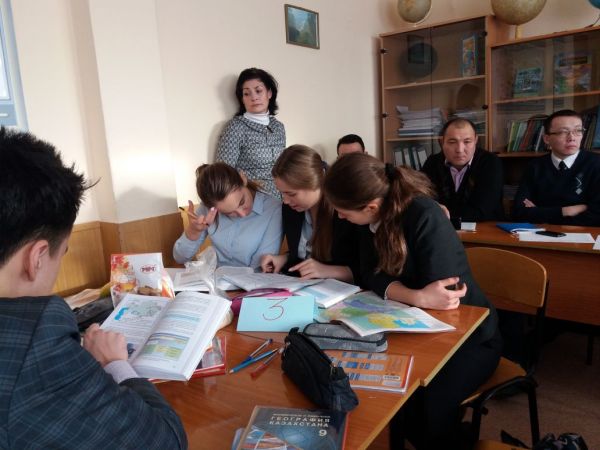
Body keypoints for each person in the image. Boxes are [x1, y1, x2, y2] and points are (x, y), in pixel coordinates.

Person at [0, 127, 187, 449]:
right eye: (63, 254)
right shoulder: (34, 342)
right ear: (37, 257)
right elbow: (165, 441)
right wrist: (116, 364)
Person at [323, 153, 501, 449]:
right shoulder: (370, 220)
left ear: (371, 206)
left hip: (470, 338)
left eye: (343, 212)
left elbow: (444, 298)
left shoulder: (424, 215)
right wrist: (415, 296)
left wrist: (413, 295)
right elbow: (370, 274)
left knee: (424, 410)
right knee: (387, 399)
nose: (340, 217)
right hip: (414, 325)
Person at [260, 145, 358, 281]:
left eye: (291, 194)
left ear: (316, 183)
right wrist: (283, 258)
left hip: (340, 289)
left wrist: (327, 271)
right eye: (282, 193)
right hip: (301, 286)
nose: (285, 201)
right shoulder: (291, 210)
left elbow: (365, 271)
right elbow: (304, 255)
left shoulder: (345, 213)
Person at [173, 162, 282, 269]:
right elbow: (179, 258)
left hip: (252, 279)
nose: (243, 214)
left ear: (243, 179)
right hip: (216, 277)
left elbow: (261, 268)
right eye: (229, 213)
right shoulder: (209, 210)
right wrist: (193, 231)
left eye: (242, 202)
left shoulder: (273, 209)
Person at [513, 109, 600, 226]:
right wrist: (565, 211)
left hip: (585, 235)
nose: (572, 138)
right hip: (540, 234)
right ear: (547, 139)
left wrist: (541, 214)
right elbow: (519, 213)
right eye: (563, 132)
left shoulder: (596, 164)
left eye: (578, 131)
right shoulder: (535, 166)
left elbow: (596, 217)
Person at [215, 67, 285, 198]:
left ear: (269, 93)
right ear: (242, 98)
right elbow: (222, 173)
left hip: (284, 196)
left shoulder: (278, 127)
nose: (254, 97)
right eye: (247, 93)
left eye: (258, 91)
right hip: (253, 198)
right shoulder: (236, 127)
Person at [421, 117, 504, 222]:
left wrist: (437, 212)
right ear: (442, 142)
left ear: (476, 141)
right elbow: (421, 200)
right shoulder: (432, 162)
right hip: (441, 227)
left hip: (484, 228)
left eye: (467, 142)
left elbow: (483, 209)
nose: (460, 150)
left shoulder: (490, 162)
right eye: (452, 142)